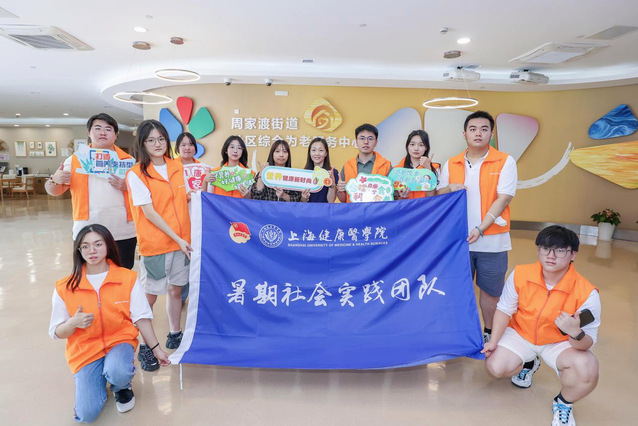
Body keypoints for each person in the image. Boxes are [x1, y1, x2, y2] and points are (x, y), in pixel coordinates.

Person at [49, 224, 169, 423]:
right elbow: (56, 331)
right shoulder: (65, 287)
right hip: (86, 351)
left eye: (98, 244)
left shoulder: (127, 278)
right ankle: (97, 377)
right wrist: (73, 323)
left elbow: (141, 317)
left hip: (119, 342)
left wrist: (157, 349)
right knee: (87, 415)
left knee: (118, 372)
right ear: (78, 250)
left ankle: (121, 385)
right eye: (85, 246)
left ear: (108, 246)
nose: (92, 250)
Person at [482, 225, 600, 426]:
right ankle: (529, 362)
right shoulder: (521, 274)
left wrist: (575, 332)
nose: (550, 256)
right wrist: (493, 341)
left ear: (573, 254)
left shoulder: (587, 293)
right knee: (495, 366)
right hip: (521, 333)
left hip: (559, 342)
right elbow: (504, 309)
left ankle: (563, 403)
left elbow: (587, 343)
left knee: (587, 370)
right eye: (545, 249)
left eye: (559, 250)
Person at [437, 111, 517, 342]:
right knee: (457, 289)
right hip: (457, 240)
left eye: (484, 129)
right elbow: (439, 194)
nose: (478, 133)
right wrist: (449, 188)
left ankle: (489, 332)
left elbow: (503, 198)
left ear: (491, 134)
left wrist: (481, 228)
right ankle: (459, 332)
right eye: (473, 129)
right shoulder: (451, 162)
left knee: (491, 292)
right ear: (464, 134)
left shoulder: (505, 161)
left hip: (492, 240)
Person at [126, 119, 192, 371]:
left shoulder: (177, 166)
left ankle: (175, 333)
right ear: (142, 144)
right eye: (151, 140)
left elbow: (178, 200)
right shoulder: (136, 174)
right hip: (156, 245)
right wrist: (178, 239)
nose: (157, 144)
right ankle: (145, 345)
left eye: (161, 139)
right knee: (149, 297)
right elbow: (150, 212)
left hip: (181, 243)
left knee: (176, 290)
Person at [46, 113, 137, 269]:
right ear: (89, 132)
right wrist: (55, 179)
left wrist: (127, 186)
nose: (103, 132)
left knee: (123, 273)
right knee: (88, 274)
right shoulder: (75, 160)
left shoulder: (128, 161)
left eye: (108, 129)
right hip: (87, 230)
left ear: (116, 135)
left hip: (123, 230)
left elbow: (143, 194)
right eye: (97, 128)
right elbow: (53, 191)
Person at [337, 123, 392, 203]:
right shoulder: (348, 165)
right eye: (362, 138)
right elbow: (343, 200)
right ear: (356, 141)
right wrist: (340, 191)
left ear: (376, 142)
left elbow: (392, 196)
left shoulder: (386, 165)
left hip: (378, 210)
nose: (366, 142)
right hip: (354, 210)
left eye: (370, 139)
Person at [394, 130, 437, 199]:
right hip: (407, 205)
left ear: (426, 147)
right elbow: (394, 200)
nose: (416, 148)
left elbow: (432, 197)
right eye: (412, 144)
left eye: (421, 145)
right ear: (407, 146)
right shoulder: (397, 170)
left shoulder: (435, 167)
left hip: (426, 205)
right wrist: (402, 197)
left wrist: (428, 170)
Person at [304, 137, 338, 203]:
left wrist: (332, 182)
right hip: (308, 209)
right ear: (309, 153)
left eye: (321, 150)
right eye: (314, 150)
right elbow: (302, 201)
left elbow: (331, 201)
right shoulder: (305, 173)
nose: (317, 153)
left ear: (326, 153)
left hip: (325, 209)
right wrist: (304, 198)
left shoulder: (333, 173)